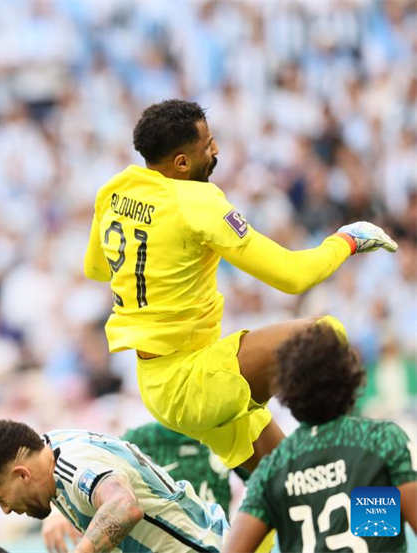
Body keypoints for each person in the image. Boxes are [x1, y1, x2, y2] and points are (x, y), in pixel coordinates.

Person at [83, 99, 398, 471]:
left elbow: (97, 269)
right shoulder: (198, 202)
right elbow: (293, 277)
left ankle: (338, 495)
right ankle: (356, 460)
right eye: (208, 145)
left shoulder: (115, 191)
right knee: (323, 339)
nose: (216, 150)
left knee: (289, 484)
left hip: (157, 383)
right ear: (181, 163)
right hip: (193, 382)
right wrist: (347, 240)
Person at [224, 323, 417, 552]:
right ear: (350, 377)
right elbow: (378, 525)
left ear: (287, 390)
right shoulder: (380, 442)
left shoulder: (273, 468)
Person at [0, 420, 227, 553]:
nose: (6, 509)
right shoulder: (47, 452)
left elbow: (124, 506)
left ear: (23, 475)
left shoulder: (74, 466)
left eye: (3, 500)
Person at [41, 421, 232, 553]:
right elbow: (98, 468)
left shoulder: (225, 433)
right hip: (162, 538)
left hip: (210, 536)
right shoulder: (147, 436)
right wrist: (57, 512)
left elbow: (259, 481)